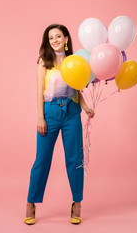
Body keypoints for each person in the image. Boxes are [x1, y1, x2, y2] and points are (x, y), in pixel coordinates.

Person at [23, 24, 95, 225]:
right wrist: (40, 117)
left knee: (75, 159)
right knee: (42, 159)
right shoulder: (43, 61)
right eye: (50, 37)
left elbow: (77, 90)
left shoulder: (74, 62)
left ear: (66, 39)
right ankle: (31, 202)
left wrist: (87, 107)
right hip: (50, 112)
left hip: (72, 112)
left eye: (58, 36)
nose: (54, 40)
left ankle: (77, 203)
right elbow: (39, 92)